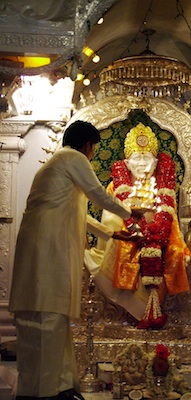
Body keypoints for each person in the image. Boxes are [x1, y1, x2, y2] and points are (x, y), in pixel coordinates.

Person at [9, 120, 139, 400]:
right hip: (48, 249)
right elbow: (99, 195)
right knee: (47, 319)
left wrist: (113, 235)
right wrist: (131, 214)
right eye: (92, 149)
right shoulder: (72, 157)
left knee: (52, 321)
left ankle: (61, 386)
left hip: (44, 249)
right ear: (87, 146)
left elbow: (83, 215)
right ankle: (45, 393)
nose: (91, 154)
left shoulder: (59, 164)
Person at [85, 122, 191, 330]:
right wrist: (133, 230)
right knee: (121, 248)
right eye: (137, 158)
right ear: (126, 163)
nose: (142, 164)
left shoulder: (164, 188)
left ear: (156, 161)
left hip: (159, 238)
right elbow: (110, 220)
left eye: (147, 158)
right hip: (126, 236)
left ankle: (158, 312)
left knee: (176, 253)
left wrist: (155, 232)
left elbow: (171, 221)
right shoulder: (115, 186)